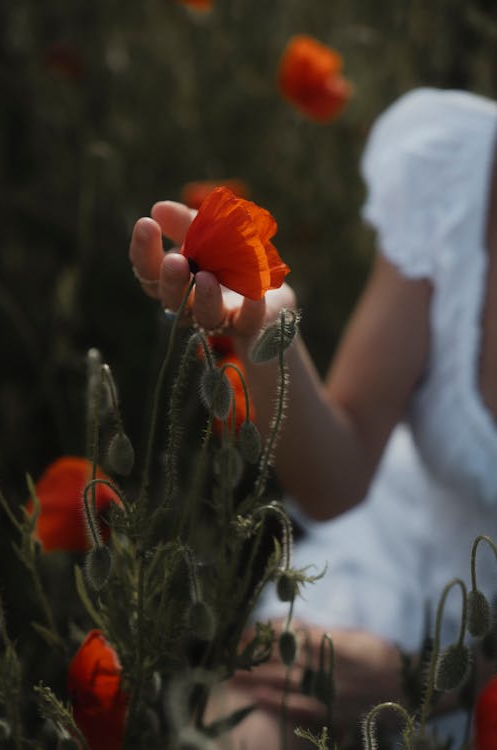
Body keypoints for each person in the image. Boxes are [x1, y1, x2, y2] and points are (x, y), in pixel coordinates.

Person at [129, 88, 497, 747]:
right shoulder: (462, 166)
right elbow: (339, 479)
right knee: (251, 719)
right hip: (401, 564)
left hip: (476, 672)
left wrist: (432, 683)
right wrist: (266, 324)